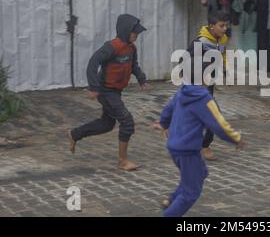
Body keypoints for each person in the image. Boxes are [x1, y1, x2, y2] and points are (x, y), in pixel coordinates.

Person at [153, 71, 245, 217]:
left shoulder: (183, 91)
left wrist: (164, 124)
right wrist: (236, 138)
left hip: (175, 147)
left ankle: (171, 199)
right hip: (188, 150)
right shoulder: (204, 98)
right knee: (191, 192)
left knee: (201, 172)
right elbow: (218, 124)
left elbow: (167, 111)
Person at [68, 14, 147, 171]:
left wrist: (141, 78)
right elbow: (93, 63)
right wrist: (94, 87)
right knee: (127, 121)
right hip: (105, 91)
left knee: (107, 124)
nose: (137, 35)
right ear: (125, 31)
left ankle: (75, 134)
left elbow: (133, 65)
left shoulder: (131, 48)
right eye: (134, 32)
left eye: (138, 32)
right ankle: (122, 161)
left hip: (116, 91)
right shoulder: (112, 47)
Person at [187, 10, 231, 161]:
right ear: (212, 26)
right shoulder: (201, 42)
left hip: (209, 83)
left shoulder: (223, 39)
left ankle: (198, 143)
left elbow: (223, 54)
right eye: (221, 26)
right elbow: (186, 60)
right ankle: (204, 146)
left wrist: (224, 69)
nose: (225, 29)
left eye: (226, 25)